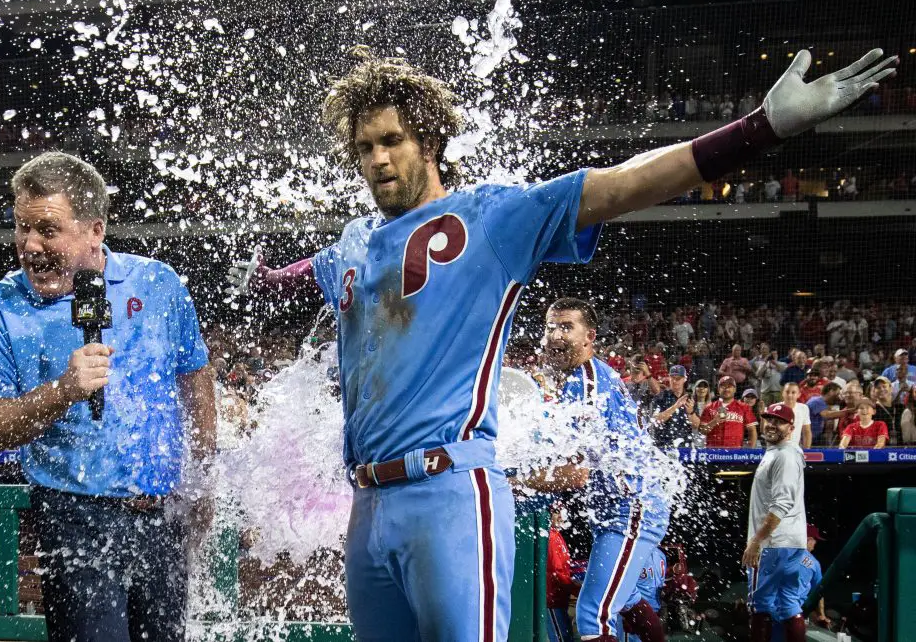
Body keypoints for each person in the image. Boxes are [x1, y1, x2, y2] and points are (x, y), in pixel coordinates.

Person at [229, 45, 895, 641]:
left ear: (428, 139)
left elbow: (626, 182)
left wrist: (761, 128)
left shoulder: (491, 217)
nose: (376, 159)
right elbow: (280, 284)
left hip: (449, 493)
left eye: (391, 140)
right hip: (367, 504)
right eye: (365, 148)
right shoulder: (349, 246)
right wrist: (247, 277)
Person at [0, 152, 216, 642]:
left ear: (95, 230)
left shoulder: (158, 283)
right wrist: (64, 390)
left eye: (47, 230)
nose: (28, 246)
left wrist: (201, 475)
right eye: (21, 228)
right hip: (74, 516)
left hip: (162, 516)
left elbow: (194, 374)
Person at [524, 299, 669, 642]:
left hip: (631, 508)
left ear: (589, 336)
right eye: (550, 327)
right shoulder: (589, 375)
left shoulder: (585, 382)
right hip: (622, 508)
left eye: (565, 327)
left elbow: (575, 475)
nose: (554, 335)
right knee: (627, 598)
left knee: (593, 615)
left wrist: (511, 479)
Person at [742, 403, 808, 642]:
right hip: (790, 542)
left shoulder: (785, 455)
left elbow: (781, 504)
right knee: (788, 602)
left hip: (773, 543)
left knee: (760, 604)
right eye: (768, 419)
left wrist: (757, 541)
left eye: (778, 421)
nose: (771, 424)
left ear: (791, 427)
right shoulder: (781, 452)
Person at [699, 376, 758, 448]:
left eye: (729, 386)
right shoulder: (709, 408)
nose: (726, 389)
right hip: (713, 452)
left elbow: (752, 431)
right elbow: (702, 431)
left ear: (735, 389)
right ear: (718, 389)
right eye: (723, 386)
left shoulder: (744, 407)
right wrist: (714, 422)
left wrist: (750, 451)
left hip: (735, 453)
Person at [547, 505, 576, 642]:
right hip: (553, 601)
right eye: (556, 512)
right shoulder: (551, 536)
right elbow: (556, 573)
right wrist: (577, 590)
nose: (560, 516)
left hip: (559, 599)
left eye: (562, 512)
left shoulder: (556, 534)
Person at [651, 365, 695, 448]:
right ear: (669, 378)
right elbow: (656, 420)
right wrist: (675, 406)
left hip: (684, 446)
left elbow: (696, 425)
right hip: (663, 445)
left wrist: (691, 413)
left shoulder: (689, 398)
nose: (675, 381)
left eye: (678, 378)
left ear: (684, 379)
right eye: (672, 378)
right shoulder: (661, 397)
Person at [775, 383, 813, 448]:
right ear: (782, 393)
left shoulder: (804, 408)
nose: (790, 395)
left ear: (799, 395)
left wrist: (807, 451)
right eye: (787, 392)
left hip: (795, 449)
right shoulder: (774, 408)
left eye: (793, 392)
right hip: (776, 448)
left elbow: (807, 432)